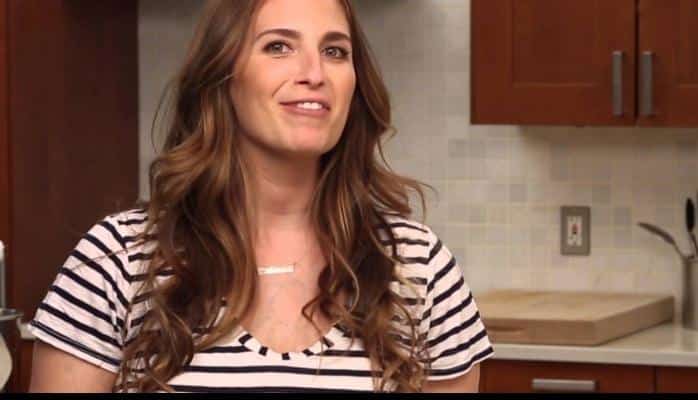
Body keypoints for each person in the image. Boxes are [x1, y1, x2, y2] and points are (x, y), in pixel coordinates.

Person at [27, 0, 493, 393]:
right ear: (222, 76)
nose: (314, 73)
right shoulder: (118, 260)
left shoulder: (418, 268)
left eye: (334, 51)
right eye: (278, 47)